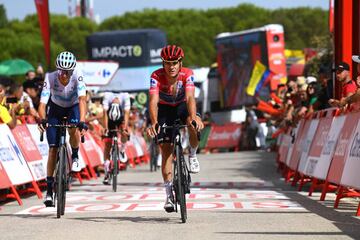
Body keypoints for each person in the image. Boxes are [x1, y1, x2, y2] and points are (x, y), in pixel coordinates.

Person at [147, 45, 204, 212]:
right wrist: (154, 121)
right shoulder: (156, 76)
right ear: (163, 63)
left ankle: (192, 155)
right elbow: (153, 101)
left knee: (193, 124)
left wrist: (193, 118)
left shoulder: (188, 74)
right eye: (167, 63)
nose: (171, 67)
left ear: (180, 63)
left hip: (182, 105)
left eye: (174, 63)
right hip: (164, 109)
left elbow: (190, 97)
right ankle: (168, 195)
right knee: (166, 150)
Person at [37, 51, 88, 207]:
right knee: (52, 149)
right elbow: (43, 103)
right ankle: (49, 191)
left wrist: (82, 121)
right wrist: (42, 119)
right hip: (56, 109)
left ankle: (75, 155)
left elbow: (82, 100)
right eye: (61, 71)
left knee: (74, 129)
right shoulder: (50, 77)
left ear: (72, 71)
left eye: (67, 72)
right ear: (57, 69)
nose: (64, 75)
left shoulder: (78, 75)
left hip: (72, 107)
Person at [101, 91, 131, 185]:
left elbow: (126, 113)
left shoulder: (125, 96)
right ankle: (106, 170)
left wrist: (125, 128)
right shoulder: (107, 96)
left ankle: (122, 150)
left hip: (121, 117)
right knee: (108, 144)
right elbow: (105, 114)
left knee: (124, 131)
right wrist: (105, 128)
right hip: (109, 118)